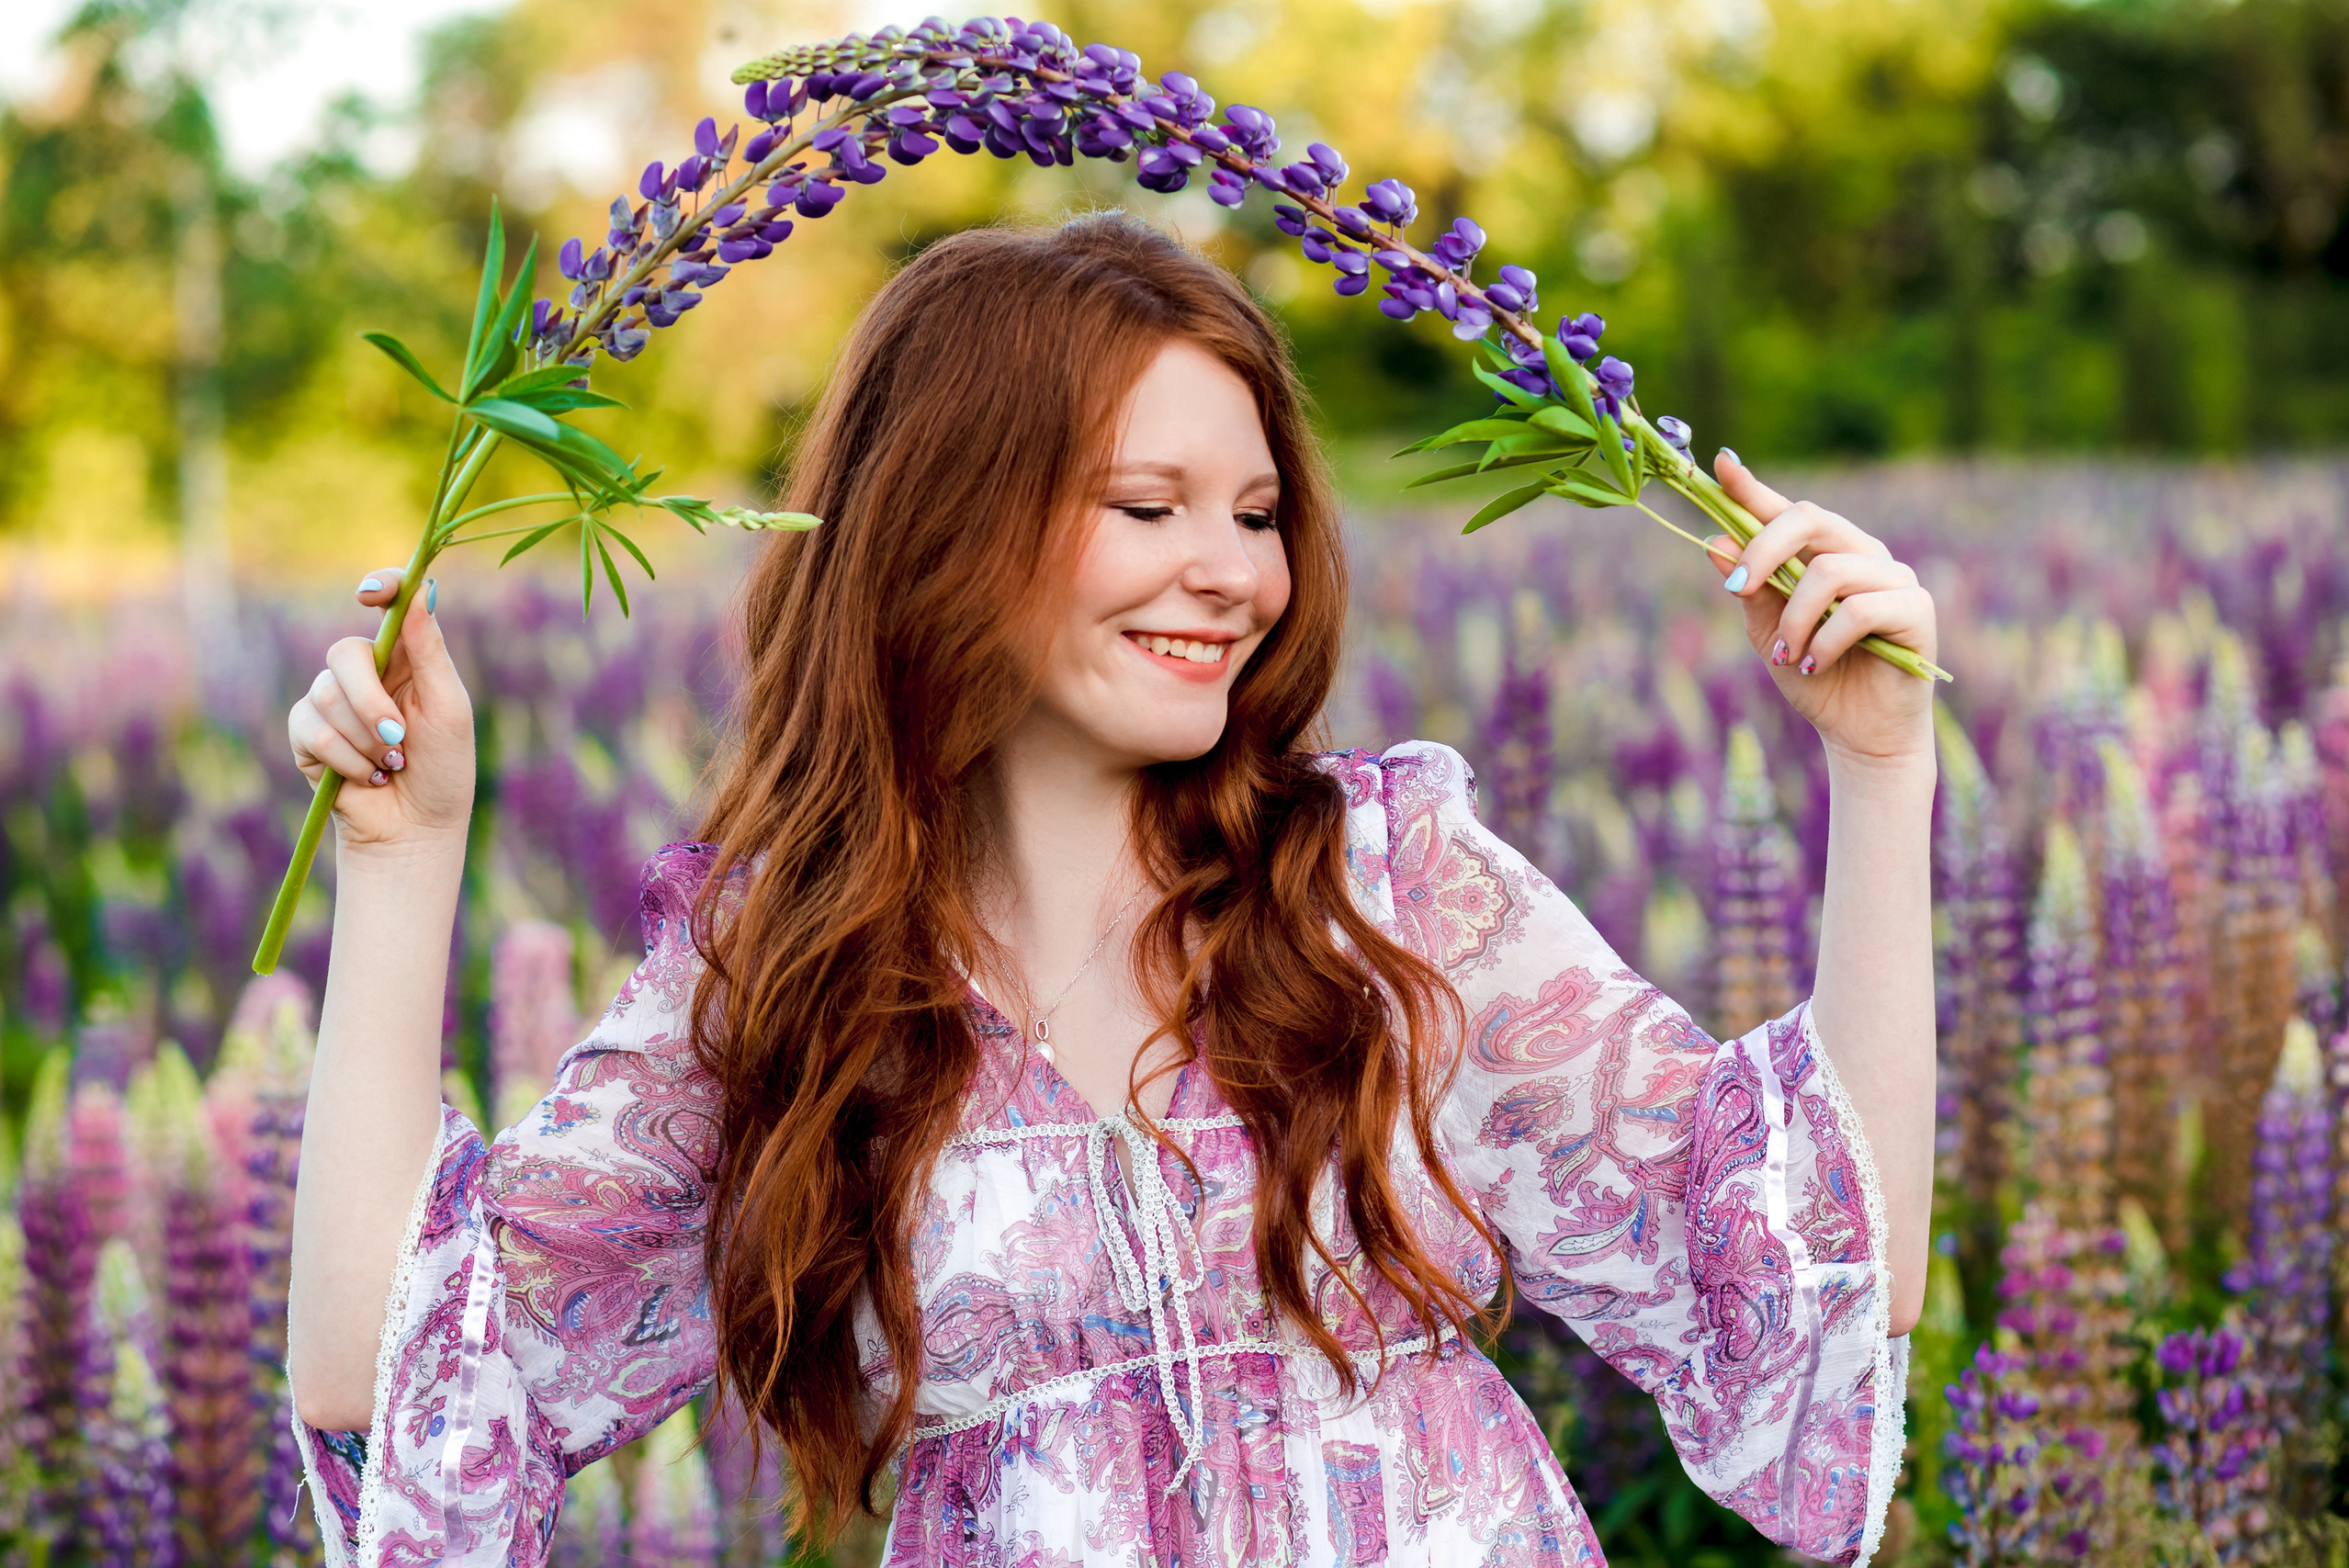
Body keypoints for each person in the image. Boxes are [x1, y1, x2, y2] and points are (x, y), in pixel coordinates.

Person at [283, 211, 1937, 1567]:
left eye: (1260, 513)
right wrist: (403, 859)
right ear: (946, 527)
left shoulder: (1385, 890)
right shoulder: (791, 971)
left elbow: (1808, 1262)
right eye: (1149, 507)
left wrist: (1880, 772)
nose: (1232, 572)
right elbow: (395, 1384)